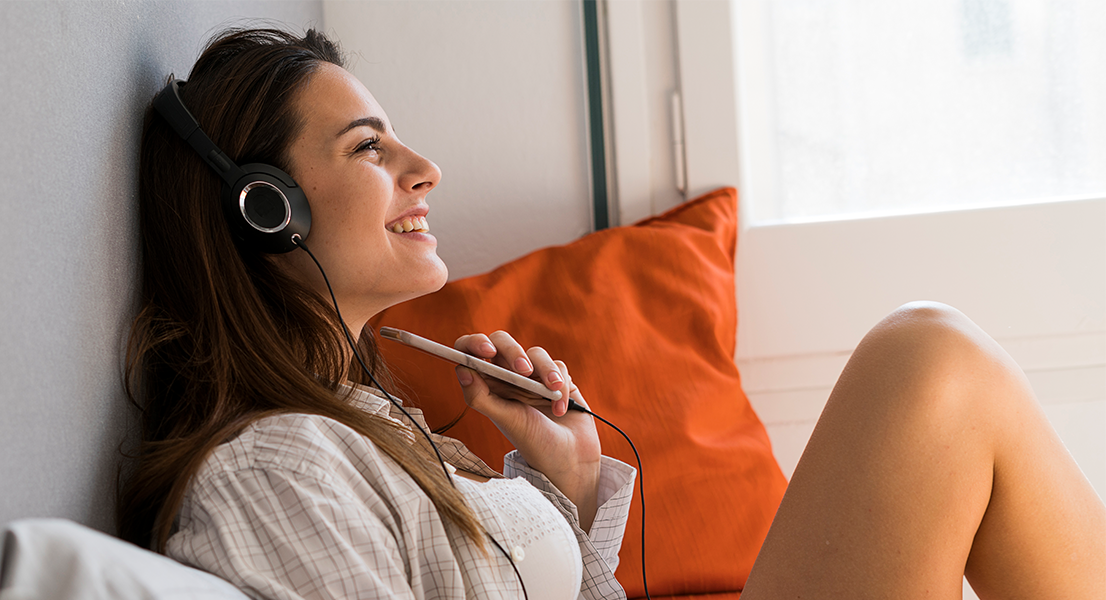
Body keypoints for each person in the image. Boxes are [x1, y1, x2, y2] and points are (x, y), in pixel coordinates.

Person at [118, 26, 1105, 600]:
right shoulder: (274, 470)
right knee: (928, 367)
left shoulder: (365, 424)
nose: (425, 170)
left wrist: (577, 485)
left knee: (936, 362)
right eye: (369, 149)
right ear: (265, 209)